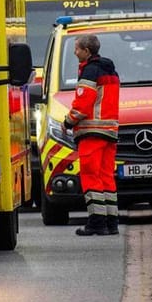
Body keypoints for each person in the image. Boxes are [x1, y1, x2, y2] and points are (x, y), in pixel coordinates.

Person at [64, 34, 121, 236]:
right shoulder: (111, 71)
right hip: (110, 132)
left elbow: (83, 104)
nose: (75, 52)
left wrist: (68, 121)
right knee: (107, 177)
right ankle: (111, 223)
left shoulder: (89, 71)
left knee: (90, 176)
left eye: (77, 48)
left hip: (91, 132)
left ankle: (96, 223)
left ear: (87, 52)